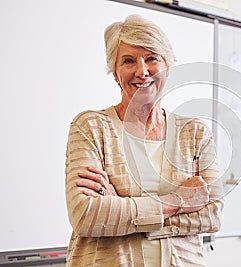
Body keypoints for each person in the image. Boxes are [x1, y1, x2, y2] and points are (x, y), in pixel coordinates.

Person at [65, 14, 223, 267]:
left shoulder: (195, 133)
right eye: (128, 61)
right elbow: (85, 215)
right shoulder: (91, 127)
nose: (142, 71)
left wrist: (120, 207)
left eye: (151, 58)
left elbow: (212, 215)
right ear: (115, 73)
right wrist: (178, 200)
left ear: (167, 66)